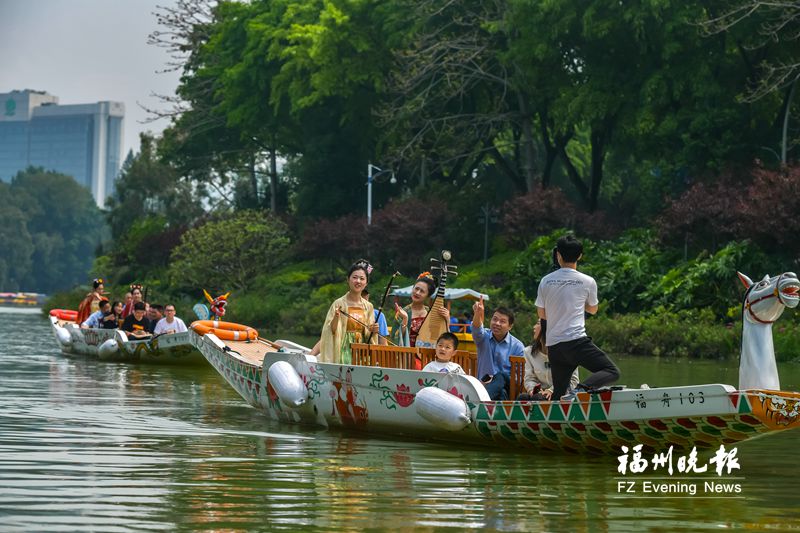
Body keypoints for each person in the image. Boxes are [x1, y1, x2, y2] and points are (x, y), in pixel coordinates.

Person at [535, 234, 620, 400]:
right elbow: (593, 310)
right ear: (580, 255)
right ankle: (580, 391)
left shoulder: (546, 281)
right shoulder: (588, 281)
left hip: (555, 346)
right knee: (611, 371)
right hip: (576, 343)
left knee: (558, 393)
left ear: (558, 254)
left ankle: (555, 421)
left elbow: (541, 314)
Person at [318, 259, 379, 364]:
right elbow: (330, 331)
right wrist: (336, 318)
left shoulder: (369, 306)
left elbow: (369, 335)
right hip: (344, 349)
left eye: (362, 278)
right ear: (348, 279)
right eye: (354, 277)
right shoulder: (338, 304)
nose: (358, 281)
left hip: (362, 352)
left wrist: (374, 330)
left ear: (366, 283)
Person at [392, 272, 450, 368]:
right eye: (416, 289)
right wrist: (405, 319)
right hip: (407, 355)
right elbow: (395, 338)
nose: (417, 293)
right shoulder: (404, 312)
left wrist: (447, 320)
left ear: (428, 295)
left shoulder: (430, 313)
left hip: (428, 355)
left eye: (422, 291)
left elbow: (443, 336)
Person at [472, 296, 525, 400]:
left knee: (500, 376)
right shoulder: (484, 337)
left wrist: (497, 380)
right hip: (485, 385)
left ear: (510, 326)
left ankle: (481, 402)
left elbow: (519, 377)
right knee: (500, 394)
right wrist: (477, 313)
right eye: (495, 319)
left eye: (502, 321)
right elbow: (476, 330)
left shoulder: (517, 346)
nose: (497, 323)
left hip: (508, 386)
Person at [517, 318, 579, 401]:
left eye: (538, 324)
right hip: (539, 394)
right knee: (523, 397)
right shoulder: (528, 352)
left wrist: (551, 390)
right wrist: (533, 390)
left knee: (539, 399)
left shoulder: (566, 352)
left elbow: (573, 380)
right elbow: (529, 378)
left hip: (561, 394)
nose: (534, 327)